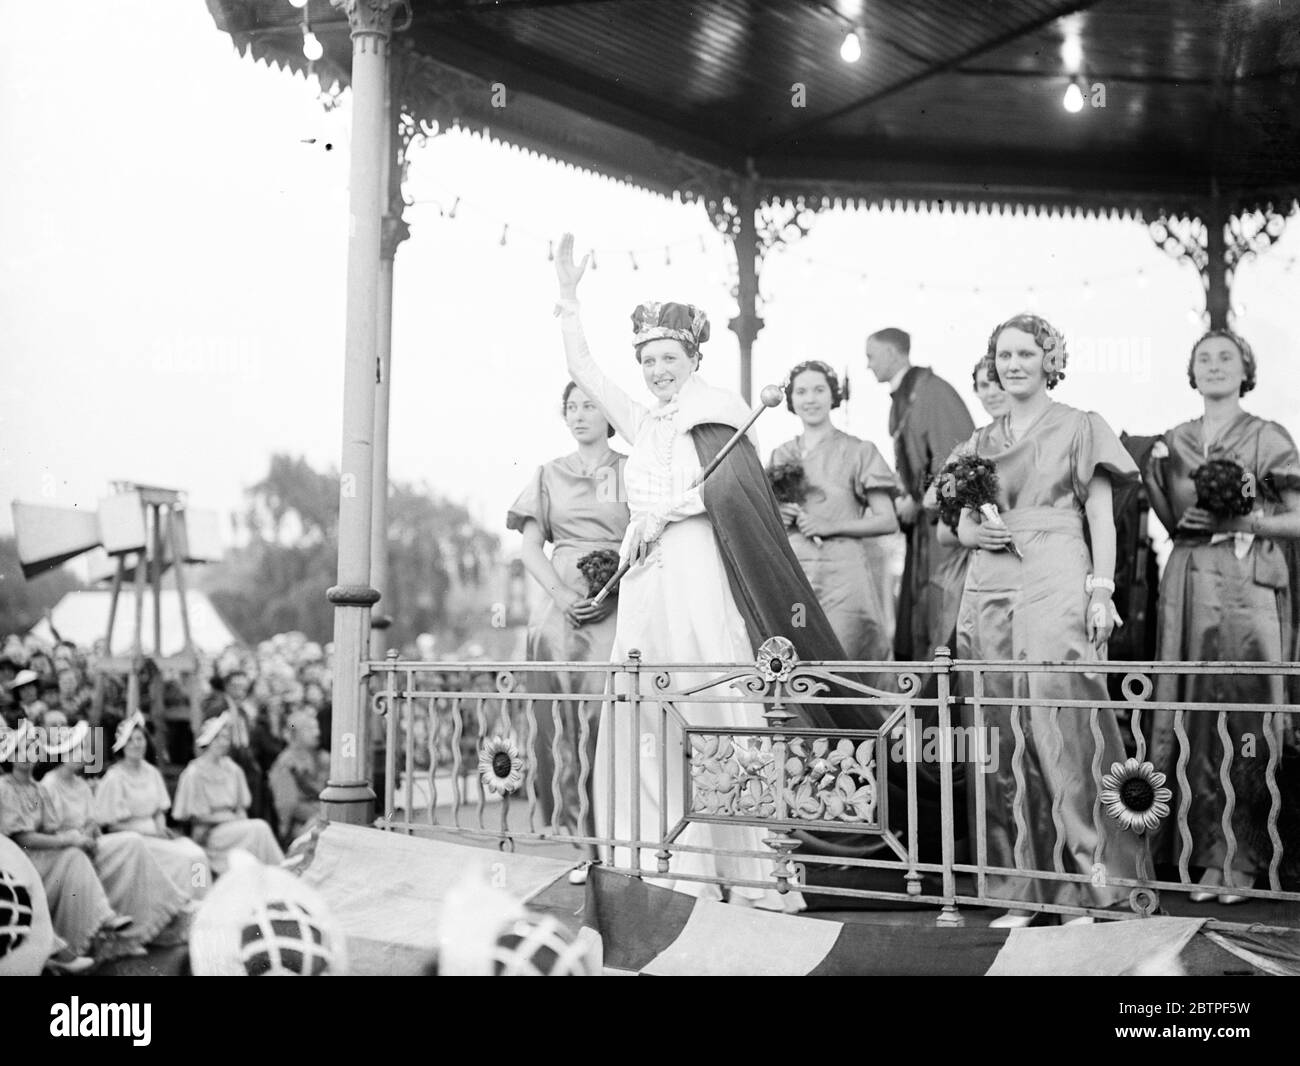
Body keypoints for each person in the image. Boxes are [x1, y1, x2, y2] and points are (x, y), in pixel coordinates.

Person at [552, 235, 939, 907]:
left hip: (699, 572)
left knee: (716, 706)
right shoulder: (642, 422)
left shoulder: (726, 413)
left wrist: (664, 510)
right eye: (648, 361)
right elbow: (586, 371)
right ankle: (659, 862)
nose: (657, 371)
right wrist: (568, 300)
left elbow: (729, 495)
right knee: (646, 713)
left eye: (669, 358)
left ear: (693, 357)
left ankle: (742, 872)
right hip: (647, 583)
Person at [952, 313, 1142, 926]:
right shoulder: (980, 440)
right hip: (994, 581)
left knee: (1065, 725)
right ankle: (1024, 890)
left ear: (1049, 358)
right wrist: (976, 528)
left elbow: (1102, 516)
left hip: (1060, 571)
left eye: (1026, 353)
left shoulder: (1081, 426)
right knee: (1005, 732)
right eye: (1003, 354)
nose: (1013, 364)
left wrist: (1102, 591)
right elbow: (955, 524)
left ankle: (1093, 888)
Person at [1142, 328, 1300, 902]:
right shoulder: (1175, 440)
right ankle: (1202, 856)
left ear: (1245, 369)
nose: (1213, 366)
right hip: (1188, 582)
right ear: (1190, 371)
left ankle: (1245, 857)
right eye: (1202, 358)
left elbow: (1297, 518)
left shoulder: (1268, 436)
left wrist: (1243, 523)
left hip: (1245, 582)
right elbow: (1169, 516)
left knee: (1246, 715)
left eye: (1225, 358)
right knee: (1193, 714)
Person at [507, 381, 629, 866]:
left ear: (610, 415)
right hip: (558, 614)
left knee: (608, 716)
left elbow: (645, 534)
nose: (579, 416)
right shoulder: (548, 474)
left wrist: (614, 584)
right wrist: (558, 595)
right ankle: (575, 842)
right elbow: (530, 547)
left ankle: (619, 836)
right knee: (560, 721)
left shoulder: (628, 470)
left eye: (590, 407)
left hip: (617, 603)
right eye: (571, 408)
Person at [769, 360, 899, 659]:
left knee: (844, 653)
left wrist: (829, 525)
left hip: (843, 574)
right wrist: (779, 515)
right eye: (801, 392)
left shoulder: (859, 451)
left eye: (819, 390)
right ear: (791, 400)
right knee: (797, 654)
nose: (810, 399)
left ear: (833, 395)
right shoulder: (781, 454)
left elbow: (887, 520)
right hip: (797, 573)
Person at [867, 327, 975, 661]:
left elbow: (956, 456)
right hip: (921, 530)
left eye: (871, 356)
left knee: (940, 609)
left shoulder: (932, 393)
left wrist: (919, 500)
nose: (868, 365)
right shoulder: (906, 395)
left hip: (943, 529)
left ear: (892, 353)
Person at [38, 719, 189, 946]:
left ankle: (181, 901)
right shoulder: (50, 784)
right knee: (144, 842)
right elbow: (50, 828)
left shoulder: (80, 784)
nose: (82, 753)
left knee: (188, 854)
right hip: (65, 849)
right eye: (76, 749)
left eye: (82, 748)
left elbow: (93, 821)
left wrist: (88, 833)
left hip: (94, 841)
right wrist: (78, 837)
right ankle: (171, 905)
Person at [0, 720, 139, 961]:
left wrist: (78, 836)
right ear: (10, 756)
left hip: (42, 855)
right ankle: (101, 920)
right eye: (21, 749)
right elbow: (22, 837)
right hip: (21, 862)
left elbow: (50, 827)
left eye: (32, 748)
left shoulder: (37, 790)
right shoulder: (5, 788)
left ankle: (94, 932)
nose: (28, 754)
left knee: (76, 855)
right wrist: (69, 840)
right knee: (73, 854)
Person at [931, 357, 1012, 642]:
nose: (991, 392)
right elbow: (938, 506)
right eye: (983, 385)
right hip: (977, 564)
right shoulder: (972, 448)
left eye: (998, 383)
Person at [93, 711, 212, 899]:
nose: (136, 744)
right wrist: (152, 834)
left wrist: (161, 829)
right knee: (185, 859)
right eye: (130, 740)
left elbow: (158, 810)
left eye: (140, 739)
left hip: (157, 834)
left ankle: (201, 899)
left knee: (197, 855)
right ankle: (181, 901)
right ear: (122, 746)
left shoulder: (152, 773)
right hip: (133, 842)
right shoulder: (114, 778)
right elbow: (113, 826)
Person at [172, 714, 285, 875]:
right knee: (259, 828)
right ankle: (280, 871)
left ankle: (273, 873)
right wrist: (232, 819)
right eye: (219, 738)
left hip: (234, 828)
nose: (224, 743)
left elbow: (241, 808)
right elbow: (196, 816)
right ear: (209, 741)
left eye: (226, 738)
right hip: (210, 833)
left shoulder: (233, 769)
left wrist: (240, 821)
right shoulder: (194, 773)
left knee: (256, 830)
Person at [268, 709, 330, 846]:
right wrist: (322, 812)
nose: (317, 733)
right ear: (296, 733)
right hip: (301, 825)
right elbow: (288, 805)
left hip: (323, 813)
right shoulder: (286, 763)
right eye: (310, 729)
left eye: (316, 727)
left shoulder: (323, 757)